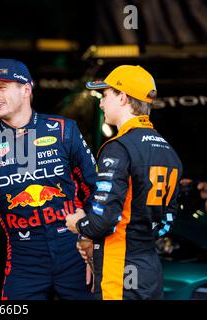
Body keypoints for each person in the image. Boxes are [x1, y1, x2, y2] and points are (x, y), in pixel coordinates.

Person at [0, 58, 97, 300]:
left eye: (1, 87)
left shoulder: (64, 130)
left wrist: (92, 244)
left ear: (26, 89)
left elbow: (96, 190)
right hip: (25, 258)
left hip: (74, 249)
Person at [66, 65, 183, 300]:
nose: (100, 103)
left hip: (119, 270)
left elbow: (103, 221)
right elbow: (167, 222)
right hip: (150, 268)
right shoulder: (169, 151)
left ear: (122, 97)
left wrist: (79, 224)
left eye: (105, 95)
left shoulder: (119, 147)